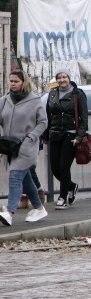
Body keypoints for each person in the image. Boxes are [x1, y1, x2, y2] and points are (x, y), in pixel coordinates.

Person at [0, 70, 49, 225]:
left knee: (15, 176)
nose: (13, 84)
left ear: (24, 82)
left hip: (27, 147)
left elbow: (43, 122)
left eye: (16, 81)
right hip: (10, 147)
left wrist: (31, 137)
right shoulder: (5, 100)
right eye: (11, 81)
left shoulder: (34, 100)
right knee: (26, 180)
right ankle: (39, 209)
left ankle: (9, 212)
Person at [44, 67, 87, 209]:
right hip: (55, 134)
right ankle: (72, 186)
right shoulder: (52, 94)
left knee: (64, 167)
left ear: (69, 78)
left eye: (64, 77)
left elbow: (83, 118)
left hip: (70, 136)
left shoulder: (77, 94)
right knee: (55, 168)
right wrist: (45, 135)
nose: (62, 80)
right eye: (59, 77)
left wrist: (79, 137)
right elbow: (48, 117)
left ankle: (62, 198)